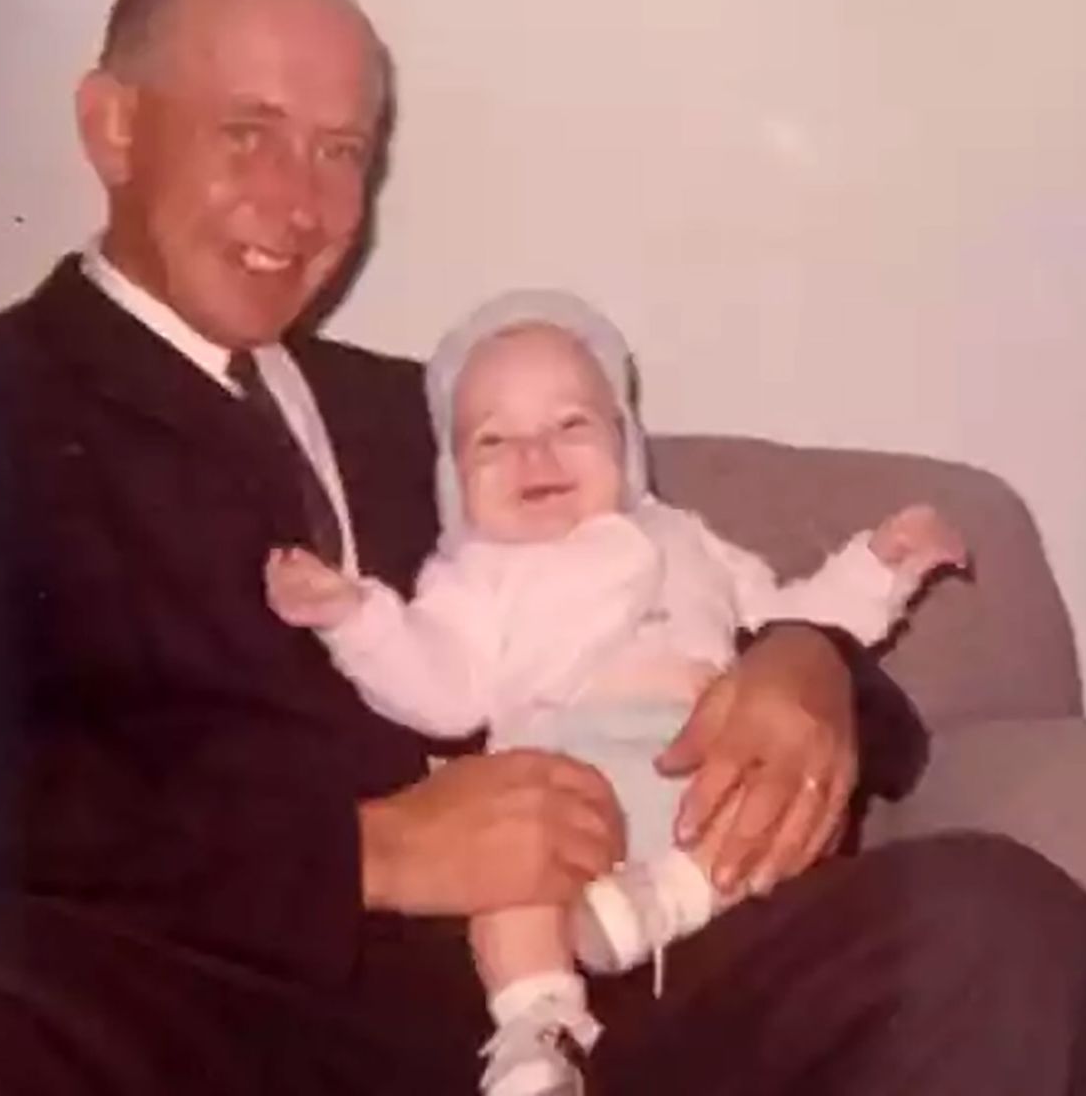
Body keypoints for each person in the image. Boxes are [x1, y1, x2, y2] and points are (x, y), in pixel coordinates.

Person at [0, 0, 1086, 1095]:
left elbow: (676, 584)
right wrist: (366, 851)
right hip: (214, 1019)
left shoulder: (446, 415)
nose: (299, 202)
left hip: (585, 987)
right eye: (248, 132)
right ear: (115, 125)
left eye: (341, 150)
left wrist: (809, 658)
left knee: (993, 923)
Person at [264, 290, 970, 1096]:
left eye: (570, 426)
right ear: (454, 483)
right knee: (505, 882)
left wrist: (880, 567)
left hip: (699, 760)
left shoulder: (686, 540)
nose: (536, 455)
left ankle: (672, 895)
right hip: (560, 788)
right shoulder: (475, 575)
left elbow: (793, 625)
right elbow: (441, 689)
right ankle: (538, 1027)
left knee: (781, 818)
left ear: (625, 445)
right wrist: (354, 616)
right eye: (494, 440)